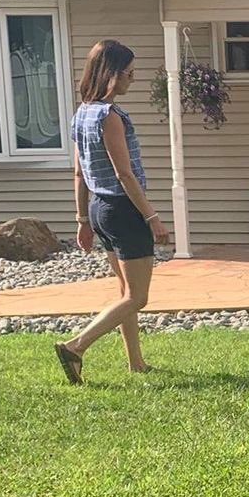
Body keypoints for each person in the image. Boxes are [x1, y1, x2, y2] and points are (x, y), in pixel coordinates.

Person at [53, 40, 170, 384]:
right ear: (111, 74)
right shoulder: (109, 116)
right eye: (130, 74)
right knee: (138, 296)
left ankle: (136, 362)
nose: (133, 80)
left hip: (99, 209)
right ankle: (76, 346)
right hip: (122, 209)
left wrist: (82, 220)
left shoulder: (81, 114)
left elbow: (79, 173)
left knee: (124, 293)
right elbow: (124, 174)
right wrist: (152, 217)